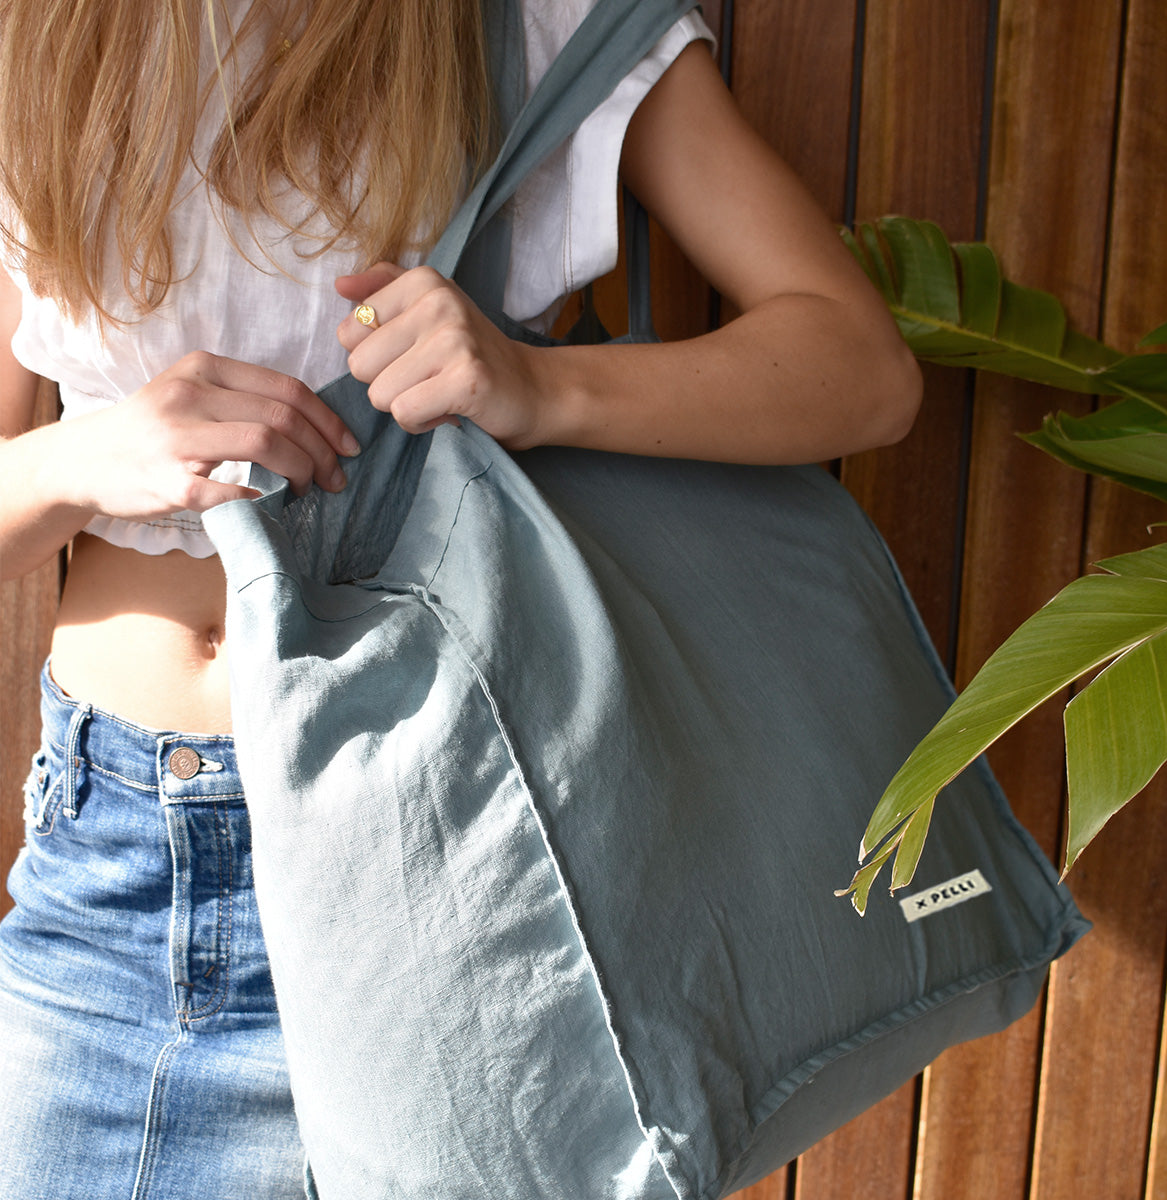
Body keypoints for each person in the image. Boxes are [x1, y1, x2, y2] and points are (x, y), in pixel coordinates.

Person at [0, 1, 921, 1195]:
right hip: (133, 872)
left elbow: (861, 368)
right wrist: (86, 459)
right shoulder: (47, 34)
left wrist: (538, 385)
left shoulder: (531, 18)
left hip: (460, 869)